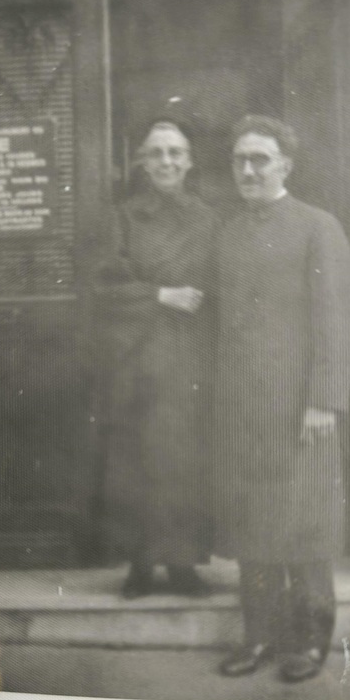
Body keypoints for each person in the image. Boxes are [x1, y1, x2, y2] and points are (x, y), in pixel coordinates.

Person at [215, 115, 350, 682]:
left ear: (285, 166)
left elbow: (335, 320)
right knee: (255, 529)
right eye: (239, 160)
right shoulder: (227, 233)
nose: (248, 170)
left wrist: (324, 399)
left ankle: (311, 642)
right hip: (245, 409)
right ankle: (260, 639)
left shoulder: (318, 227)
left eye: (260, 159)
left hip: (303, 409)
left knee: (306, 526)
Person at [96, 120, 216, 599]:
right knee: (136, 463)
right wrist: (161, 294)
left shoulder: (209, 219)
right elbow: (104, 285)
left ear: (189, 162)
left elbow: (222, 287)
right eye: (157, 153)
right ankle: (140, 565)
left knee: (186, 463)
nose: (167, 162)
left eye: (176, 153)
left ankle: (184, 565)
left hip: (191, 359)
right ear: (142, 163)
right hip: (138, 356)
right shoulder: (123, 218)